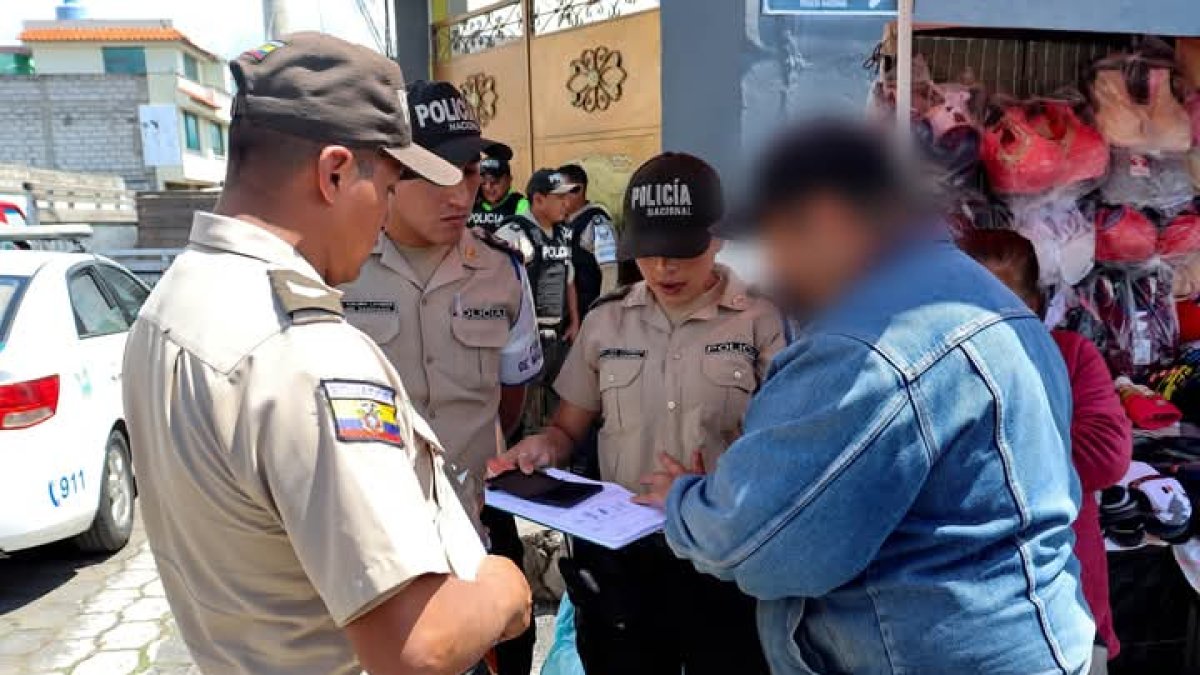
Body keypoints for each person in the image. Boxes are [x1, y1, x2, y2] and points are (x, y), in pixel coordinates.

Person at [122, 33, 530, 675]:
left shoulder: (168, 305)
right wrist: (506, 589)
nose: (384, 216)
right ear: (335, 171)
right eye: (390, 182)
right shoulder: (307, 353)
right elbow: (419, 645)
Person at [638, 122, 1095, 674]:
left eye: (777, 241)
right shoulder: (984, 298)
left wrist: (683, 505)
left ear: (830, 218)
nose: (770, 273)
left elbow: (758, 541)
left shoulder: (869, 343)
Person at [491, 153, 785, 675]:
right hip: (624, 562)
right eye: (648, 253)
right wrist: (542, 447)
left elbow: (785, 447)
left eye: (680, 252)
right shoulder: (607, 324)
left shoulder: (763, 322)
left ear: (717, 238)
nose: (663, 268)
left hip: (724, 555)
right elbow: (566, 428)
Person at [339, 79, 543, 675]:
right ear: (388, 176)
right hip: (374, 533)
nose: (461, 192)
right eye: (435, 173)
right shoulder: (339, 272)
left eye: (471, 170)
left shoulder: (504, 272)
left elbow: (511, 395)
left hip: (477, 514)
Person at [960, 228, 1132, 675]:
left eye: (1002, 302)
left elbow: (1108, 455)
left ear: (1034, 304)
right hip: (969, 619)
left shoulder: (1071, 355)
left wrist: (971, 451)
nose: (984, 319)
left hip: (1069, 607)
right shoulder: (937, 371)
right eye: (969, 302)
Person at [494, 168, 582, 432]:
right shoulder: (513, 233)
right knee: (525, 415)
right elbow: (496, 283)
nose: (566, 204)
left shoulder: (562, 234)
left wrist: (575, 321)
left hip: (558, 335)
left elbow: (569, 279)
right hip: (527, 338)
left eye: (567, 197)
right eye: (559, 198)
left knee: (560, 409)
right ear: (539, 200)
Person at [558, 163, 619, 315]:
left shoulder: (596, 223)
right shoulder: (560, 222)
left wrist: (603, 312)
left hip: (590, 310)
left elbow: (610, 271)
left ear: (578, 190)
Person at [470, 155, 528, 233]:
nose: (488, 187)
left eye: (495, 182)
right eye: (483, 183)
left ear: (509, 180)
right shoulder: (471, 202)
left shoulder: (520, 204)